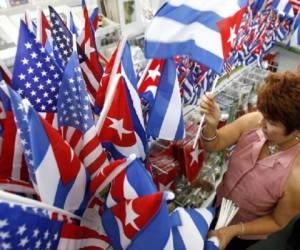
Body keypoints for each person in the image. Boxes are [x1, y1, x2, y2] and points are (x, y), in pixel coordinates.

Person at [199, 71, 300, 250]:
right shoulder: (254, 121)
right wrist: (211, 125)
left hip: (244, 231)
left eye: (273, 122)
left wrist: (234, 230)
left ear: (297, 131)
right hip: (217, 204)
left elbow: (277, 221)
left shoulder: (296, 176)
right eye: (264, 114)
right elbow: (214, 144)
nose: (262, 123)